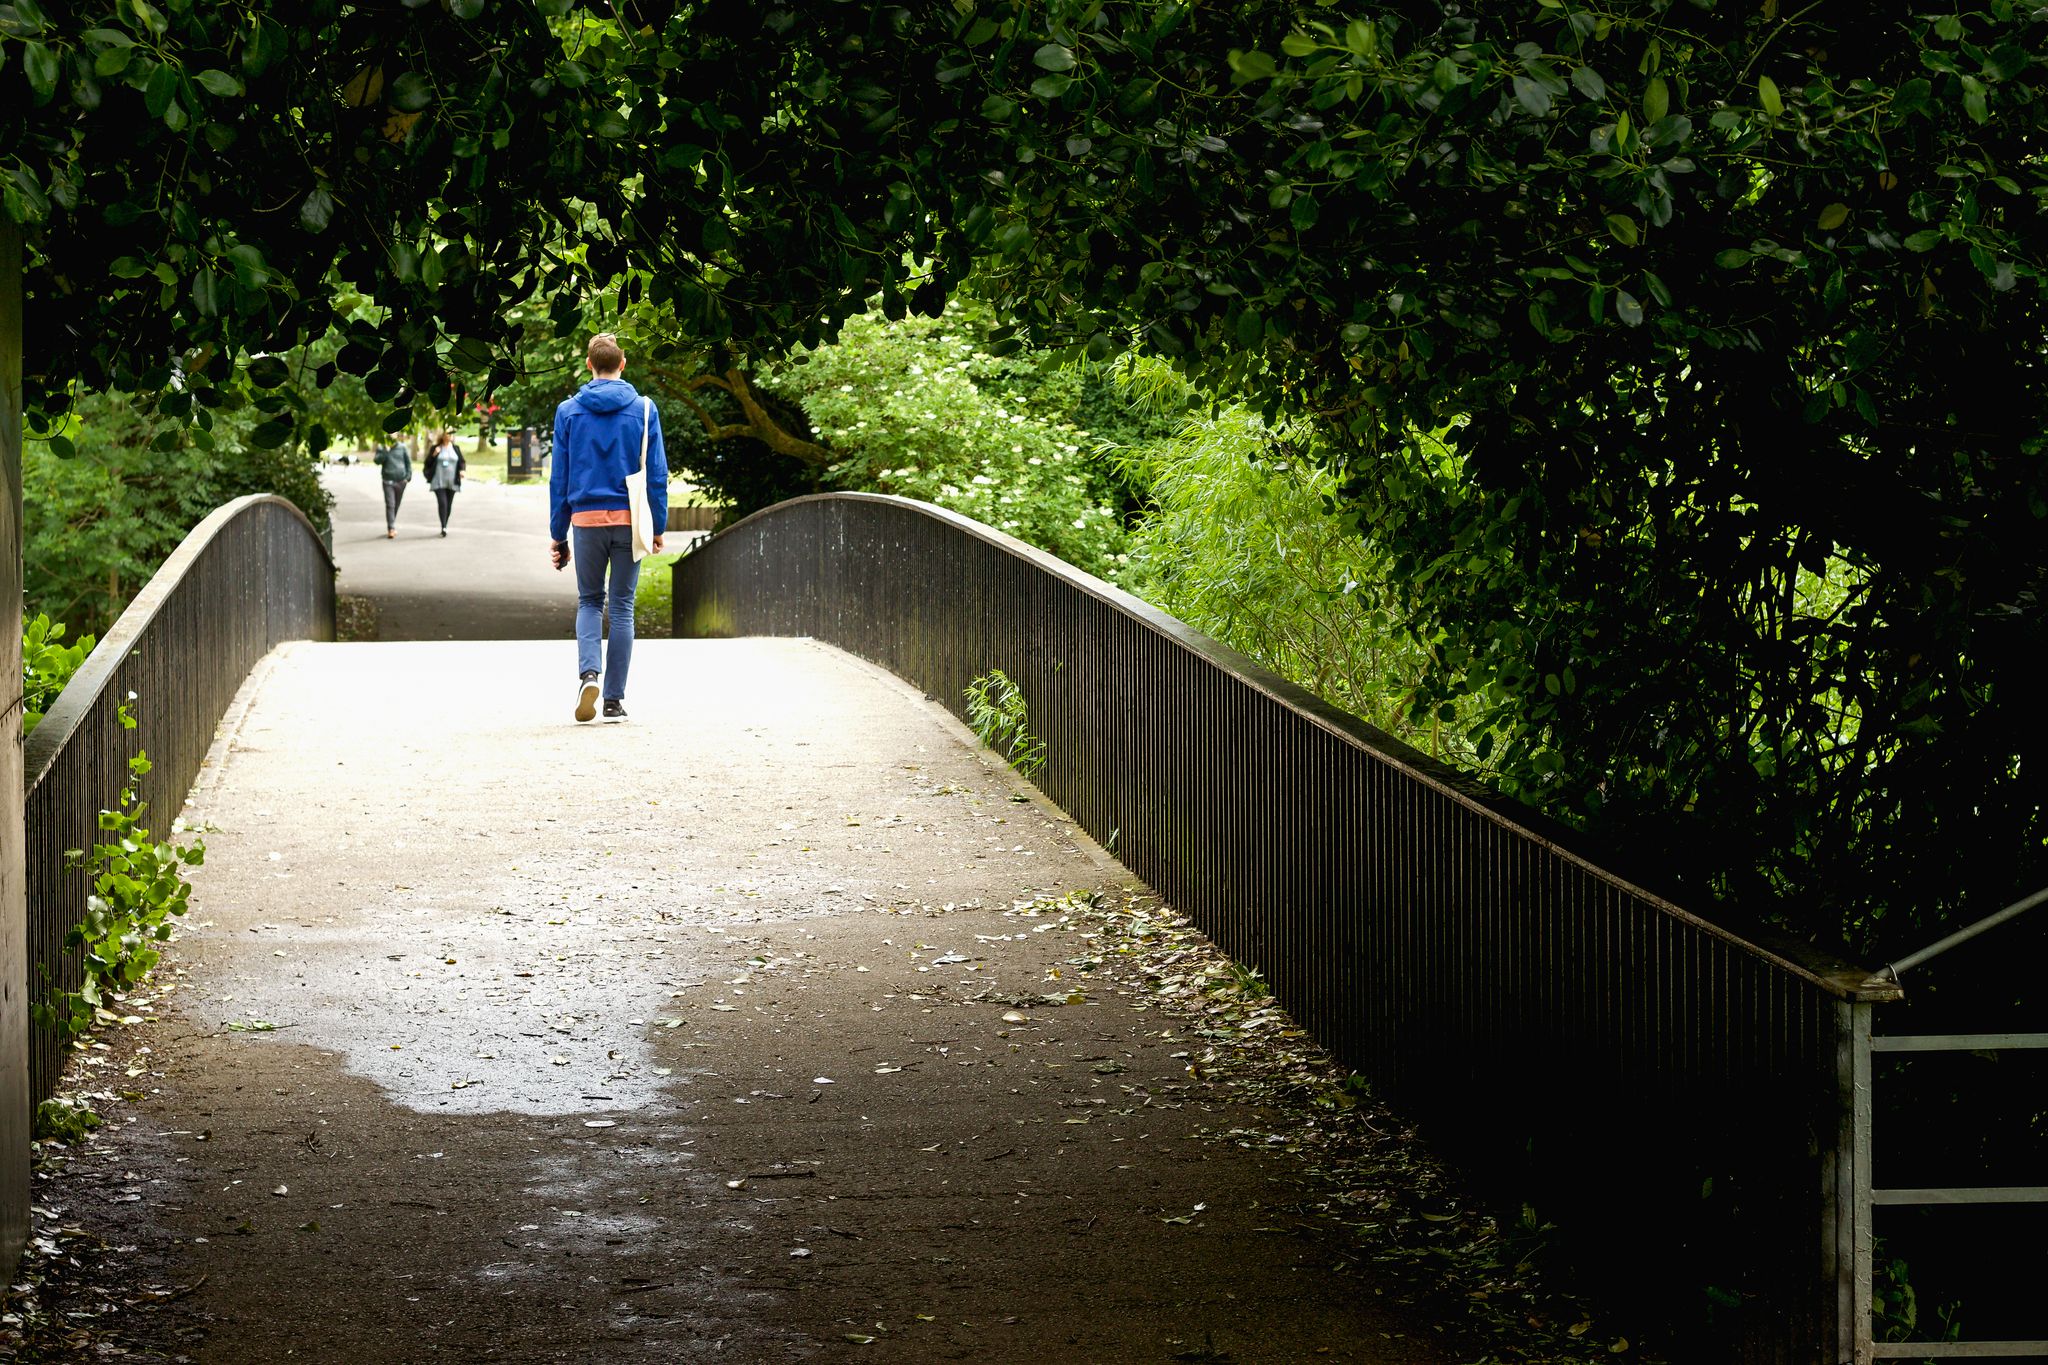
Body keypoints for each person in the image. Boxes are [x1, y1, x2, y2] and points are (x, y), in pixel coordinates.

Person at [549, 333, 668, 723]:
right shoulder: (645, 409)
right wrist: (658, 526)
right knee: (621, 607)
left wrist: (558, 533)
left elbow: (559, 478)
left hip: (585, 520)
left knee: (589, 601)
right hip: (629, 519)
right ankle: (614, 701)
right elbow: (657, 475)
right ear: (623, 363)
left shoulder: (568, 411)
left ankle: (588, 675)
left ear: (589, 364)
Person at [422, 429, 465, 537]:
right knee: (442, 503)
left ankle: (445, 522)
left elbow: (462, 462)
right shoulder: (436, 448)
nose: (449, 436)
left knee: (448, 505)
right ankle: (443, 527)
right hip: (438, 481)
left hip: (452, 481)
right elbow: (427, 463)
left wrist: (462, 470)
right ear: (442, 435)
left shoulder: (455, 448)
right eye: (447, 434)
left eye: (450, 434)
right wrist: (434, 454)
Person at [373, 436, 412, 538]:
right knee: (390, 504)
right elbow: (377, 461)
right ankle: (391, 528)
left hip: (401, 481)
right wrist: (386, 451)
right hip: (388, 481)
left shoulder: (402, 447)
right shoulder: (382, 447)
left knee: (396, 504)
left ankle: (392, 522)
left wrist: (407, 478)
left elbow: (408, 463)